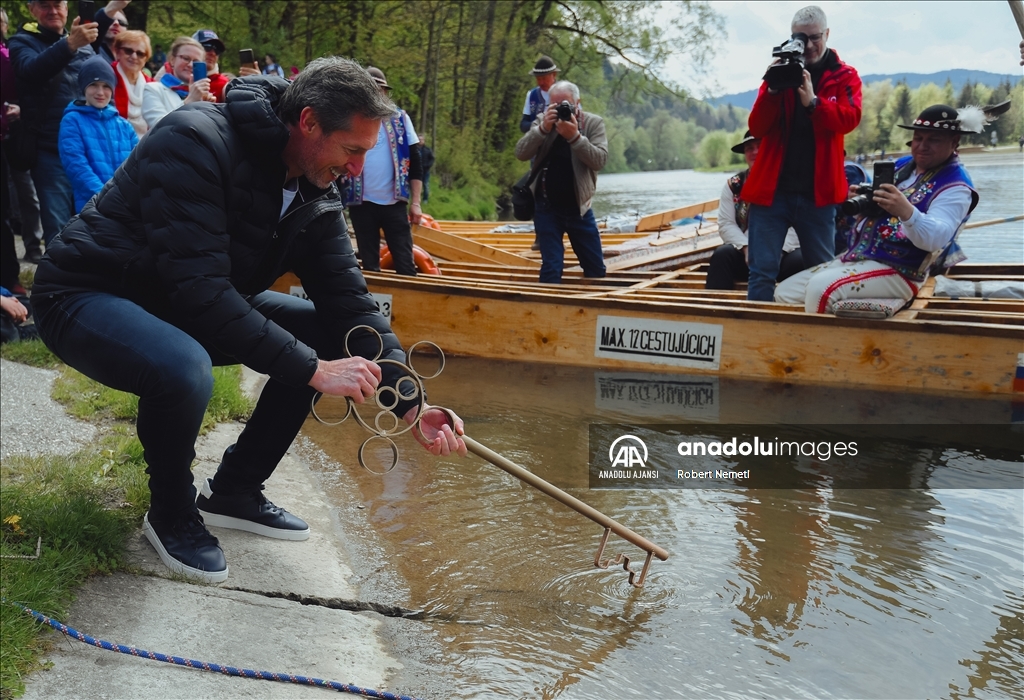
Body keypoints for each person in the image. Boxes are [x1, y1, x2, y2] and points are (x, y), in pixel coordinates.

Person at [32, 57, 467, 583]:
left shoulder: (316, 188)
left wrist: (410, 403)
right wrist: (313, 371)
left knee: (328, 334)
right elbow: (202, 294)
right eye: (352, 151)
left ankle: (235, 491)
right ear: (308, 122)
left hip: (179, 302)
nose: (357, 170)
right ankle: (171, 510)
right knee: (185, 365)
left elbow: (351, 308)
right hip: (86, 293)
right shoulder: (194, 139)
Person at [775, 104, 980, 313]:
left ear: (954, 142)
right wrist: (862, 201)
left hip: (901, 272)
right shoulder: (902, 166)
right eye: (918, 138)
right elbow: (876, 214)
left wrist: (905, 211)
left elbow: (936, 238)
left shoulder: (956, 187)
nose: (922, 146)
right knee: (784, 292)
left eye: (933, 140)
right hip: (859, 258)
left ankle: (818, 345)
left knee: (822, 290)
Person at [741, 5, 861, 302]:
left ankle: (817, 336)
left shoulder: (844, 75)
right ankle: (757, 334)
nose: (807, 45)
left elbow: (850, 119)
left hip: (817, 194)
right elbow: (757, 125)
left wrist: (814, 104)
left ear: (827, 34)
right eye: (799, 38)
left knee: (822, 272)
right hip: (772, 192)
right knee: (761, 272)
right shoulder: (781, 71)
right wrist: (772, 89)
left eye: (814, 38)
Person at [8, 0, 98, 246]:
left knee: (90, 224)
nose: (53, 11)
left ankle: (86, 281)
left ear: (67, 8)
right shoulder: (21, 41)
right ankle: (56, 283)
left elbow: (97, 89)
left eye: (58, 5)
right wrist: (69, 45)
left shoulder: (85, 45)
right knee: (57, 229)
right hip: (50, 149)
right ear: (31, 10)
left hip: (86, 149)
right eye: (44, 5)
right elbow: (30, 70)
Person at [514, 80, 607, 284]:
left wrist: (575, 137)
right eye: (554, 105)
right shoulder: (542, 121)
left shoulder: (593, 123)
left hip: (579, 209)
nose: (560, 109)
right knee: (552, 268)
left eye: (565, 104)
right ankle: (545, 310)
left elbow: (599, 160)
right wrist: (543, 130)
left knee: (596, 269)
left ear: (577, 102)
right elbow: (521, 153)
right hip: (547, 208)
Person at [341, 66, 423, 276]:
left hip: (394, 203)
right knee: (369, 266)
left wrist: (415, 203)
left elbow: (415, 162)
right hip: (360, 203)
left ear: (385, 93)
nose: (376, 94)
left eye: (379, 90)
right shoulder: (348, 118)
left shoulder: (401, 119)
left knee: (405, 263)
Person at [705, 131, 803, 290]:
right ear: (744, 154)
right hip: (748, 256)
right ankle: (714, 309)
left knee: (802, 260)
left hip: (783, 254)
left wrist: (777, 251)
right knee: (722, 255)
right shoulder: (734, 185)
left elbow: (798, 224)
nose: (755, 152)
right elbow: (726, 224)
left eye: (760, 146)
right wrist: (746, 248)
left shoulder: (788, 182)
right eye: (749, 148)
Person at [58, 55, 138, 212]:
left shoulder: (124, 125)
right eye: (93, 85)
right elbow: (76, 166)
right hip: (92, 206)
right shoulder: (72, 120)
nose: (100, 92)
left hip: (126, 205)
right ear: (83, 87)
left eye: (106, 86)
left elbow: (137, 165)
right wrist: (105, 196)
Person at [142, 36, 212, 129]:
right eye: (186, 58)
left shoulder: (202, 96)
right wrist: (189, 102)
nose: (191, 65)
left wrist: (210, 111)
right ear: (172, 60)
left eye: (196, 62)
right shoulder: (152, 89)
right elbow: (159, 127)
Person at [111, 29, 152, 137]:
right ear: (117, 52)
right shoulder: (107, 78)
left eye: (140, 53)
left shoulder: (152, 85)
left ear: (146, 58)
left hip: (145, 145)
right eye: (128, 51)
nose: (134, 57)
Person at [520, 55, 558, 133]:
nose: (541, 83)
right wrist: (542, 125)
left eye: (544, 79)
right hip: (537, 141)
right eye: (538, 79)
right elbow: (523, 125)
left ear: (554, 75)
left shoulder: (567, 93)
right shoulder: (532, 95)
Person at [191, 29, 230, 102]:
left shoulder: (224, 84)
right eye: (207, 47)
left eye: (217, 50)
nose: (213, 53)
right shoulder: (176, 81)